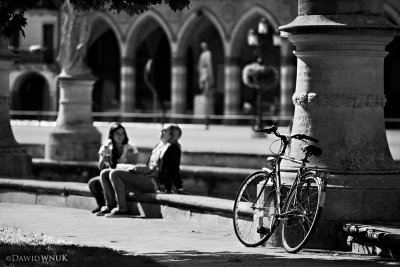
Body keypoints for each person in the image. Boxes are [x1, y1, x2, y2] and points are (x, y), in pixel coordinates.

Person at [98, 124, 184, 217]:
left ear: (171, 135)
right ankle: (110, 206)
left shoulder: (173, 148)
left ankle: (122, 209)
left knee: (115, 173)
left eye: (164, 131)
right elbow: (150, 166)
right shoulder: (159, 146)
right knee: (104, 173)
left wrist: (179, 188)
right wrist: (139, 169)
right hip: (147, 177)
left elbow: (174, 170)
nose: (161, 132)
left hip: (154, 183)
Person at [88, 122, 139, 214]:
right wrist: (105, 155)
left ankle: (111, 205)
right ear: (112, 135)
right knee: (93, 183)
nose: (121, 136)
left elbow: (133, 167)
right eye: (117, 134)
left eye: (122, 133)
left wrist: (128, 158)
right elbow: (101, 167)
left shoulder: (131, 148)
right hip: (109, 175)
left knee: (107, 174)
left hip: (123, 176)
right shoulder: (106, 148)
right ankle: (102, 205)